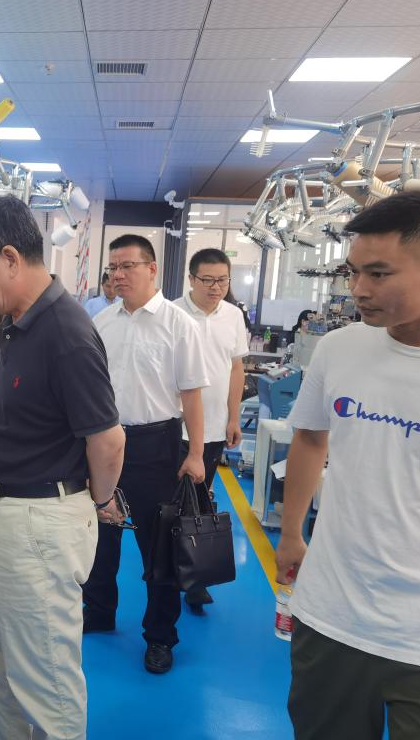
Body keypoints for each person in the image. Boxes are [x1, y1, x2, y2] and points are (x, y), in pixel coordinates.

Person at [0, 194, 126, 740]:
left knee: (45, 678)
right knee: (2, 662)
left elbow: (108, 440)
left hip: (38, 523)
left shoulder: (65, 332)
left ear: (9, 258)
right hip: (8, 515)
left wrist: (98, 501)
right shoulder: (20, 322)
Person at [275, 191, 420, 740]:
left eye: (379, 274)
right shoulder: (339, 348)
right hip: (331, 613)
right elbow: (310, 437)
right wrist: (291, 533)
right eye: (353, 272)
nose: (359, 289)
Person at [82, 234, 208, 675]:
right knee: (101, 537)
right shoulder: (102, 322)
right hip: (104, 442)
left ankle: (159, 636)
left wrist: (196, 453)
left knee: (159, 547)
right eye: (113, 268)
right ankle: (99, 611)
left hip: (157, 444)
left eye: (127, 266)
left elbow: (191, 395)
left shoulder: (178, 324)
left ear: (152, 269)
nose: (118, 275)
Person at [174, 247, 249, 611]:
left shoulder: (233, 316)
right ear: (191, 279)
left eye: (222, 280)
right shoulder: (172, 313)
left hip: (215, 428)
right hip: (174, 428)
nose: (216, 287)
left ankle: (196, 580)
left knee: (201, 503)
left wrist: (234, 417)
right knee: (170, 504)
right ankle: (168, 573)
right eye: (207, 280)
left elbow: (236, 370)